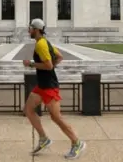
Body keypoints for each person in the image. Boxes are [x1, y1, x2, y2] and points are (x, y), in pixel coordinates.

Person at [23, 18, 86, 160]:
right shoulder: (45, 42)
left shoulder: (41, 45)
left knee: (56, 118)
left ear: (36, 30)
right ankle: (44, 138)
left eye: (31, 28)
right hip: (42, 85)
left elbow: (49, 65)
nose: (29, 30)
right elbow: (59, 57)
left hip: (49, 87)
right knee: (28, 109)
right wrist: (47, 68)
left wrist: (31, 64)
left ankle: (77, 142)